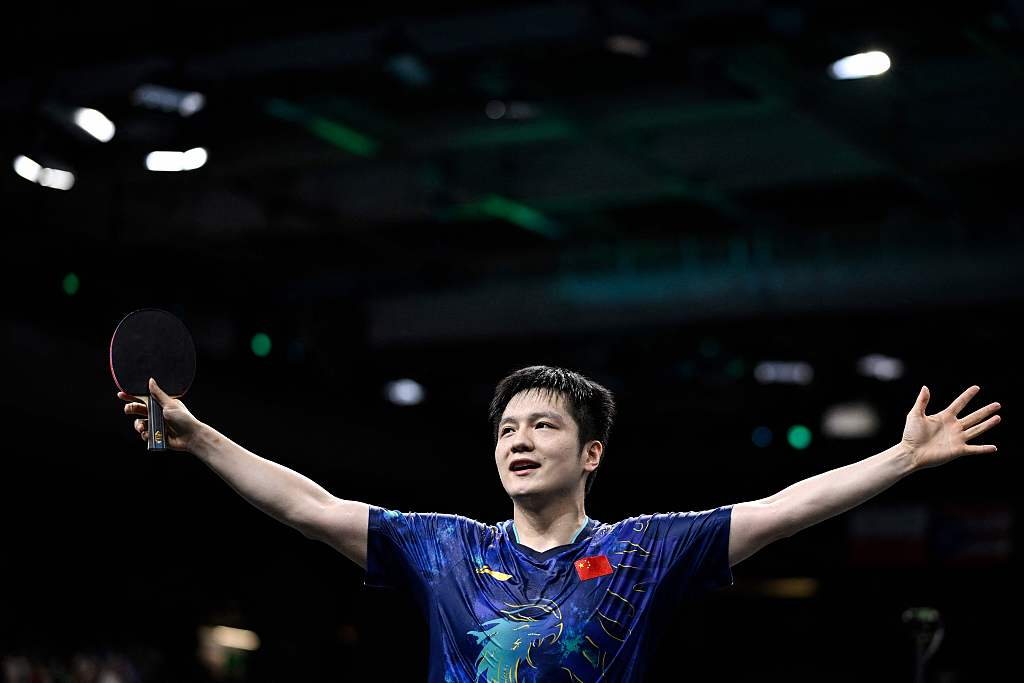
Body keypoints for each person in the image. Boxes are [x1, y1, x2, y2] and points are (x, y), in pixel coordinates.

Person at [118, 365, 1001, 682]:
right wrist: (197, 437)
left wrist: (900, 459)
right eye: (506, 426)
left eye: (543, 424)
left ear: (591, 455)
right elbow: (309, 505)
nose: (518, 439)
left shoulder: (643, 550)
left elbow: (781, 510)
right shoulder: (447, 545)